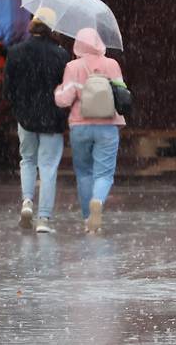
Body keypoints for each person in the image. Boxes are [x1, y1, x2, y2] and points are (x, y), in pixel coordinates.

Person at [3, 8, 70, 233]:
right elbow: (65, 89)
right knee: (48, 167)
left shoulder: (15, 52)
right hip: (52, 119)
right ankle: (43, 219)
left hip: (26, 119)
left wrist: (20, 108)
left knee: (27, 160)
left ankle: (27, 202)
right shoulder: (61, 55)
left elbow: (8, 89)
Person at [54, 28, 126, 234]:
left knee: (84, 173)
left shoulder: (73, 66)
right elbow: (123, 92)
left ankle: (88, 219)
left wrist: (58, 90)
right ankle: (98, 201)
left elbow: (64, 99)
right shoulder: (111, 64)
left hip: (80, 126)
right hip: (108, 125)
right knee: (104, 174)